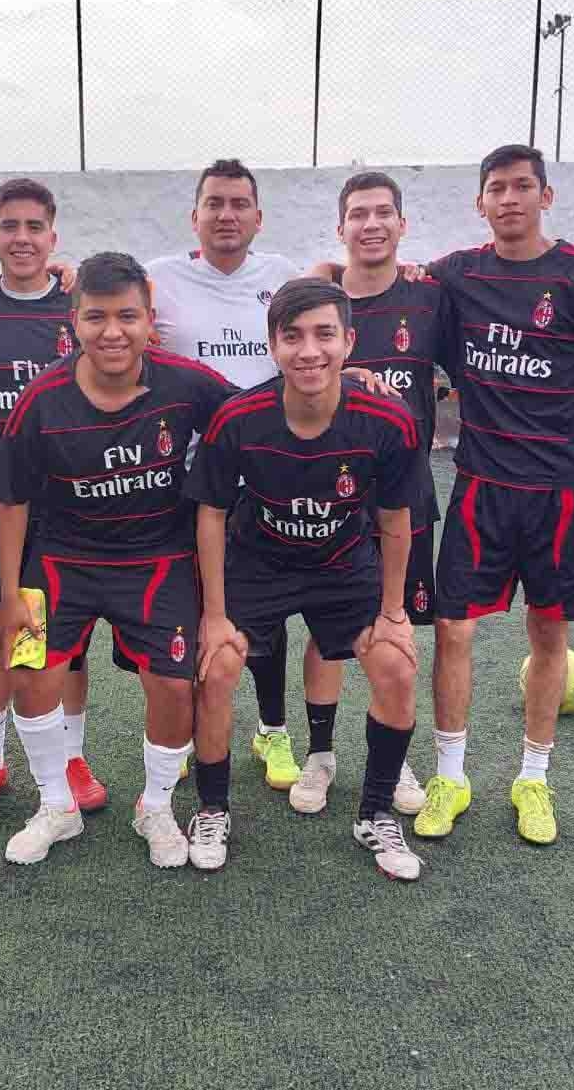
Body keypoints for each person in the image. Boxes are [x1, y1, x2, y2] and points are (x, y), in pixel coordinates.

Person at [412, 144, 574, 845]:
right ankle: (451, 776)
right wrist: (328, 271)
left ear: (546, 196)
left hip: (564, 490)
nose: (509, 199)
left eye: (522, 186)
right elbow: (388, 282)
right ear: (479, 202)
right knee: (454, 629)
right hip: (481, 484)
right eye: (497, 189)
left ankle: (533, 780)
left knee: (548, 631)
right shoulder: (455, 274)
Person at [0, 251, 235, 866]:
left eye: (127, 316)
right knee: (27, 669)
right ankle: (56, 807)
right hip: (61, 559)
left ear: (150, 319)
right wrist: (9, 595)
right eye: (96, 317)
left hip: (159, 558)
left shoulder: (186, 383)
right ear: (73, 322)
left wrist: (347, 382)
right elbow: (11, 500)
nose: (112, 332)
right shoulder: (40, 400)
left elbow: (254, 414)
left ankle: (156, 807)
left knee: (174, 686)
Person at [186, 279, 425, 878]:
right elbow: (210, 514)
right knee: (216, 667)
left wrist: (394, 612)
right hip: (259, 562)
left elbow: (396, 519)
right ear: (272, 344)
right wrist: (213, 616)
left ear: (349, 342)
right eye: (292, 336)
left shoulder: (387, 420)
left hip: (342, 564)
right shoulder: (238, 418)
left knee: (396, 666)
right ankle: (212, 809)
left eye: (324, 335)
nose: (309, 350)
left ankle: (375, 813)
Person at [292, 172, 458, 817]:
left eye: (383, 212)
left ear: (402, 224)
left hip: (405, 496)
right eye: (358, 214)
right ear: (341, 228)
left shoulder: (429, 298)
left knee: (397, 628)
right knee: (327, 632)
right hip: (332, 498)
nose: (371, 224)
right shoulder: (322, 300)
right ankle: (320, 754)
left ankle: (396, 756)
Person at [0, 178, 106, 818]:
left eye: (35, 227)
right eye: (10, 226)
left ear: (53, 237)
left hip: (66, 508)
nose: (22, 238)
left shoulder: (78, 309)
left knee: (62, 641)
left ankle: (70, 757)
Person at [144, 158, 303, 791]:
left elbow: (335, 300)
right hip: (186, 477)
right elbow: (107, 311)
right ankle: (185, 733)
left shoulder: (283, 276)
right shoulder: (159, 279)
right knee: (189, 609)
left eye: (239, 204)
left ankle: (272, 729)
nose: (227, 214)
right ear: (195, 216)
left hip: (270, 475)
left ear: (258, 217)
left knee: (267, 610)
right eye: (215, 203)